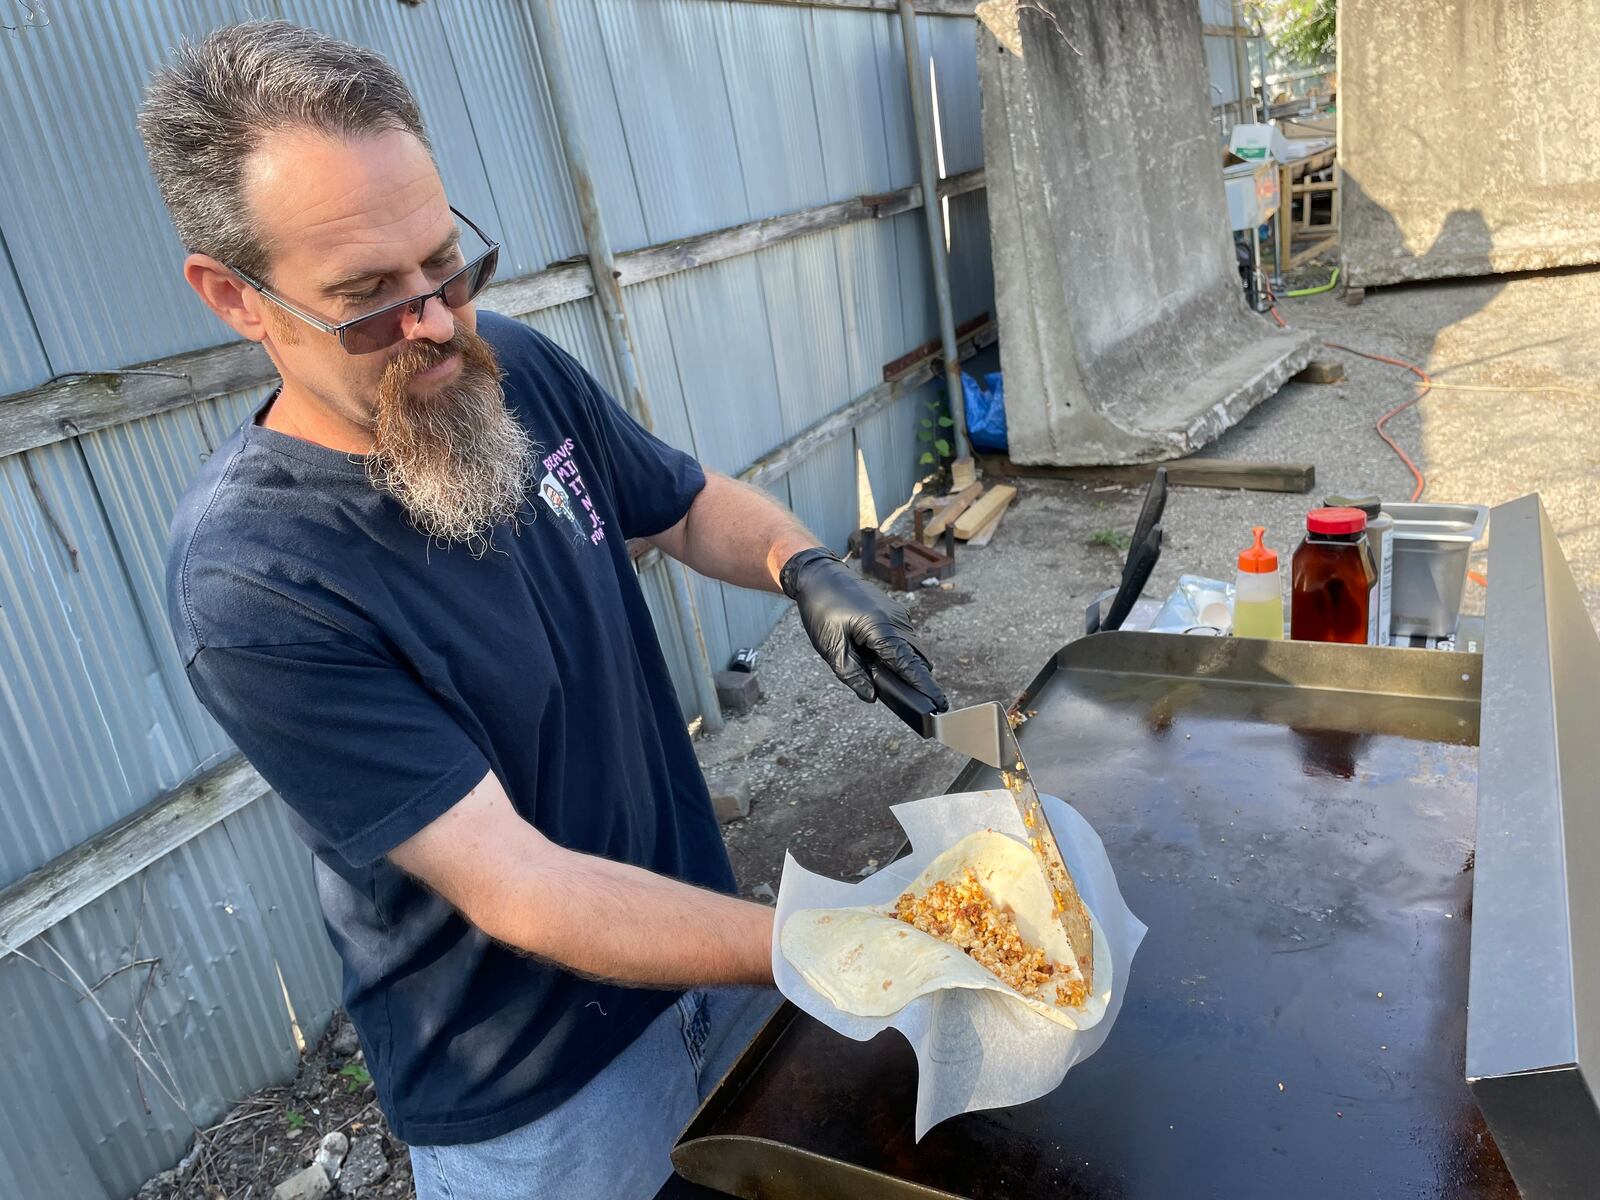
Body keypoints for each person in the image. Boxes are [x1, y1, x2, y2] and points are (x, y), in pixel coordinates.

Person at [137, 19, 946, 1200]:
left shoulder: (496, 360)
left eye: (445, 265)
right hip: (536, 1099)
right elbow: (520, 884)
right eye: (367, 297)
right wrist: (816, 942)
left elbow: (676, 504)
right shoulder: (256, 579)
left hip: (693, 962)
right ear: (234, 296)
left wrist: (803, 567)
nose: (432, 323)